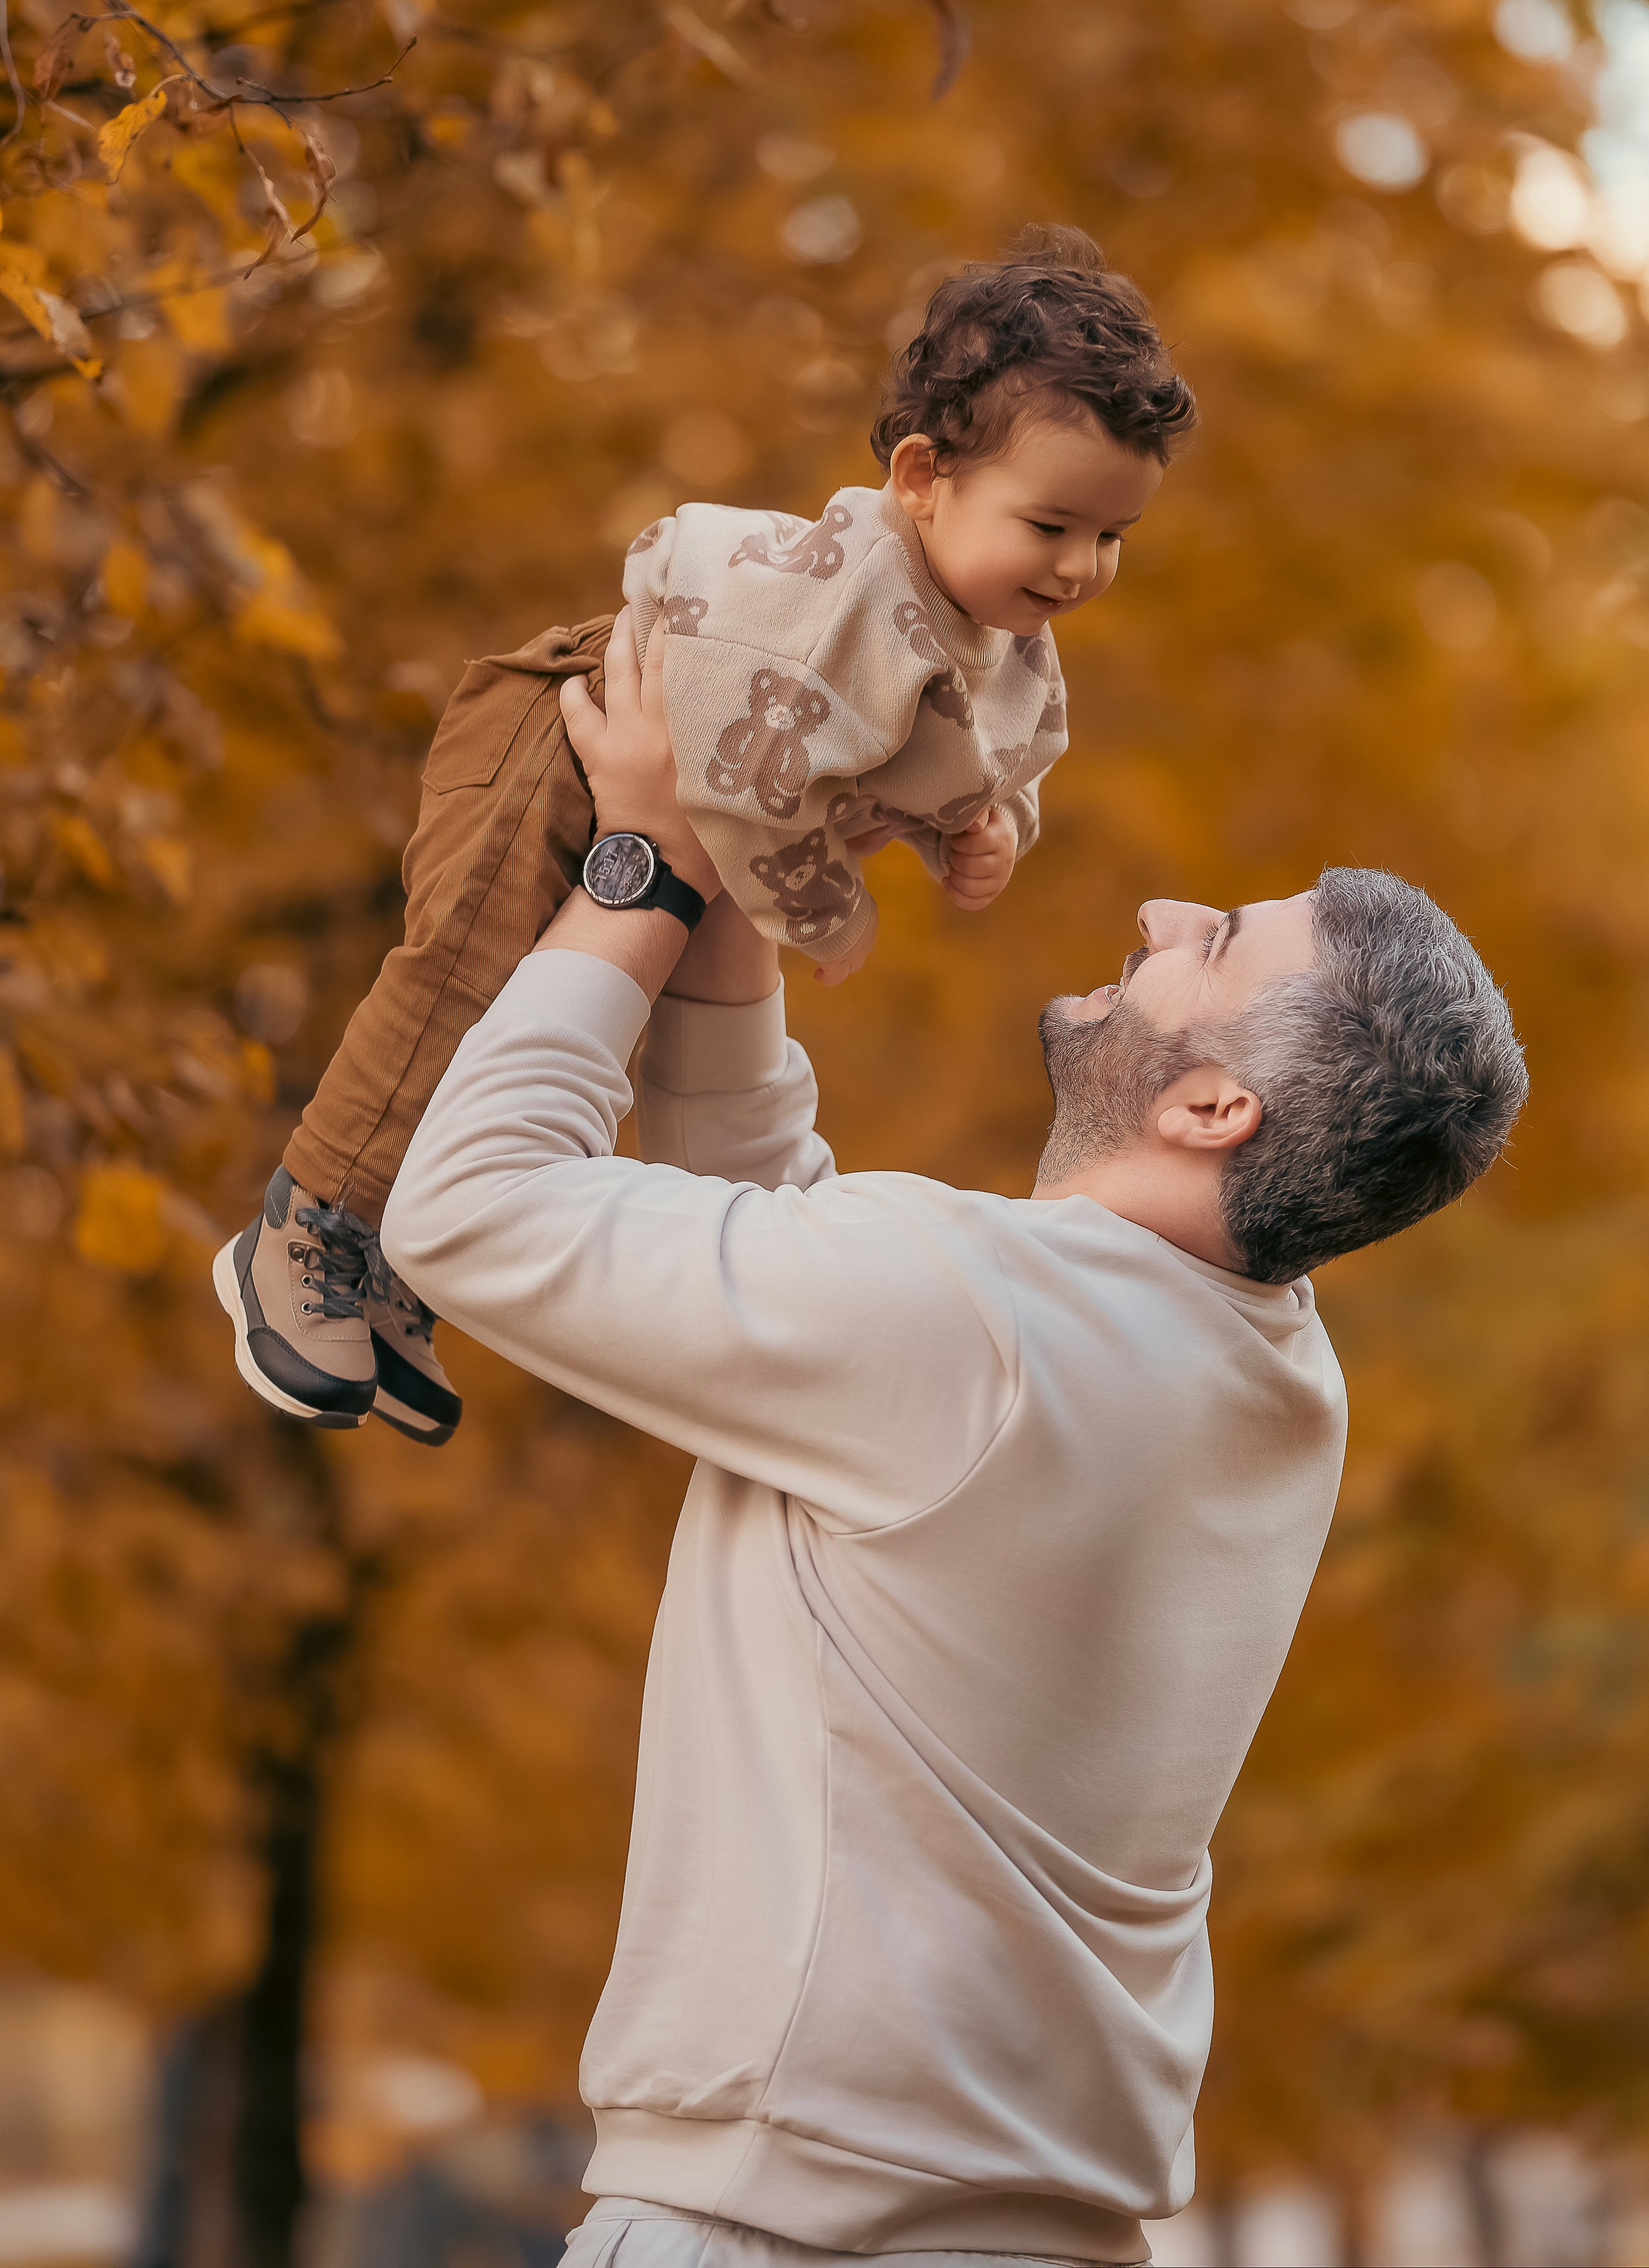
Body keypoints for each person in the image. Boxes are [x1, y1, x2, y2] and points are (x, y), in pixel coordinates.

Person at [379, 624, 1529, 2268]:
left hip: (780, 2231)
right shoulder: (1265, 1379)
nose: (1152, 913)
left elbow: (468, 1208)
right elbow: (785, 1282)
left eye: (1207, 939)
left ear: (1213, 1107)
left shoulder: (978, 1318)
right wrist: (736, 891)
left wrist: (637, 868)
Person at [211, 228, 1194, 1449]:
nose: (1080, 567)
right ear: (923, 475)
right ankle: (309, 1225)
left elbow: (995, 760)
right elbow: (737, 788)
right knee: (469, 978)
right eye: (1052, 525)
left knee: (578, 1024)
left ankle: (403, 1262)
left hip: (692, 788)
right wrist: (829, 908)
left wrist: (984, 831)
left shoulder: (1001, 627)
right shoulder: (836, 606)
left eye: (1111, 538)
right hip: (568, 727)